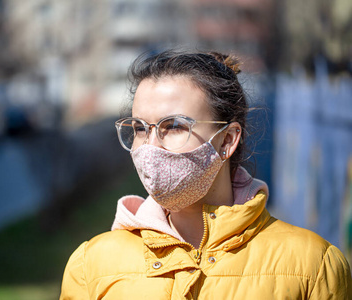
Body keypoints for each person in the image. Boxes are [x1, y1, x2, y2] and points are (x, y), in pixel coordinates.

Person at [59, 49, 352, 299]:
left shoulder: (313, 266)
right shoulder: (91, 266)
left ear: (227, 140)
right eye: (139, 128)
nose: (150, 147)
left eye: (173, 126)